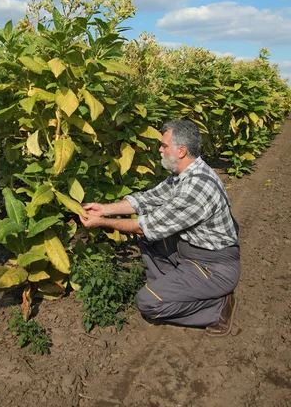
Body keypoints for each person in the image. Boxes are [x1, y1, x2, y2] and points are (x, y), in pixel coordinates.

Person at [79, 119, 240, 337]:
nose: (160, 150)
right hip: (192, 252)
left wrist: (101, 222)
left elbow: (141, 227)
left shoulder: (196, 188)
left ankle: (217, 307)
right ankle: (168, 288)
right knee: (151, 237)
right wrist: (104, 209)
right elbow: (147, 200)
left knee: (147, 304)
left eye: (164, 146)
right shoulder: (185, 174)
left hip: (213, 268)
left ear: (181, 151)